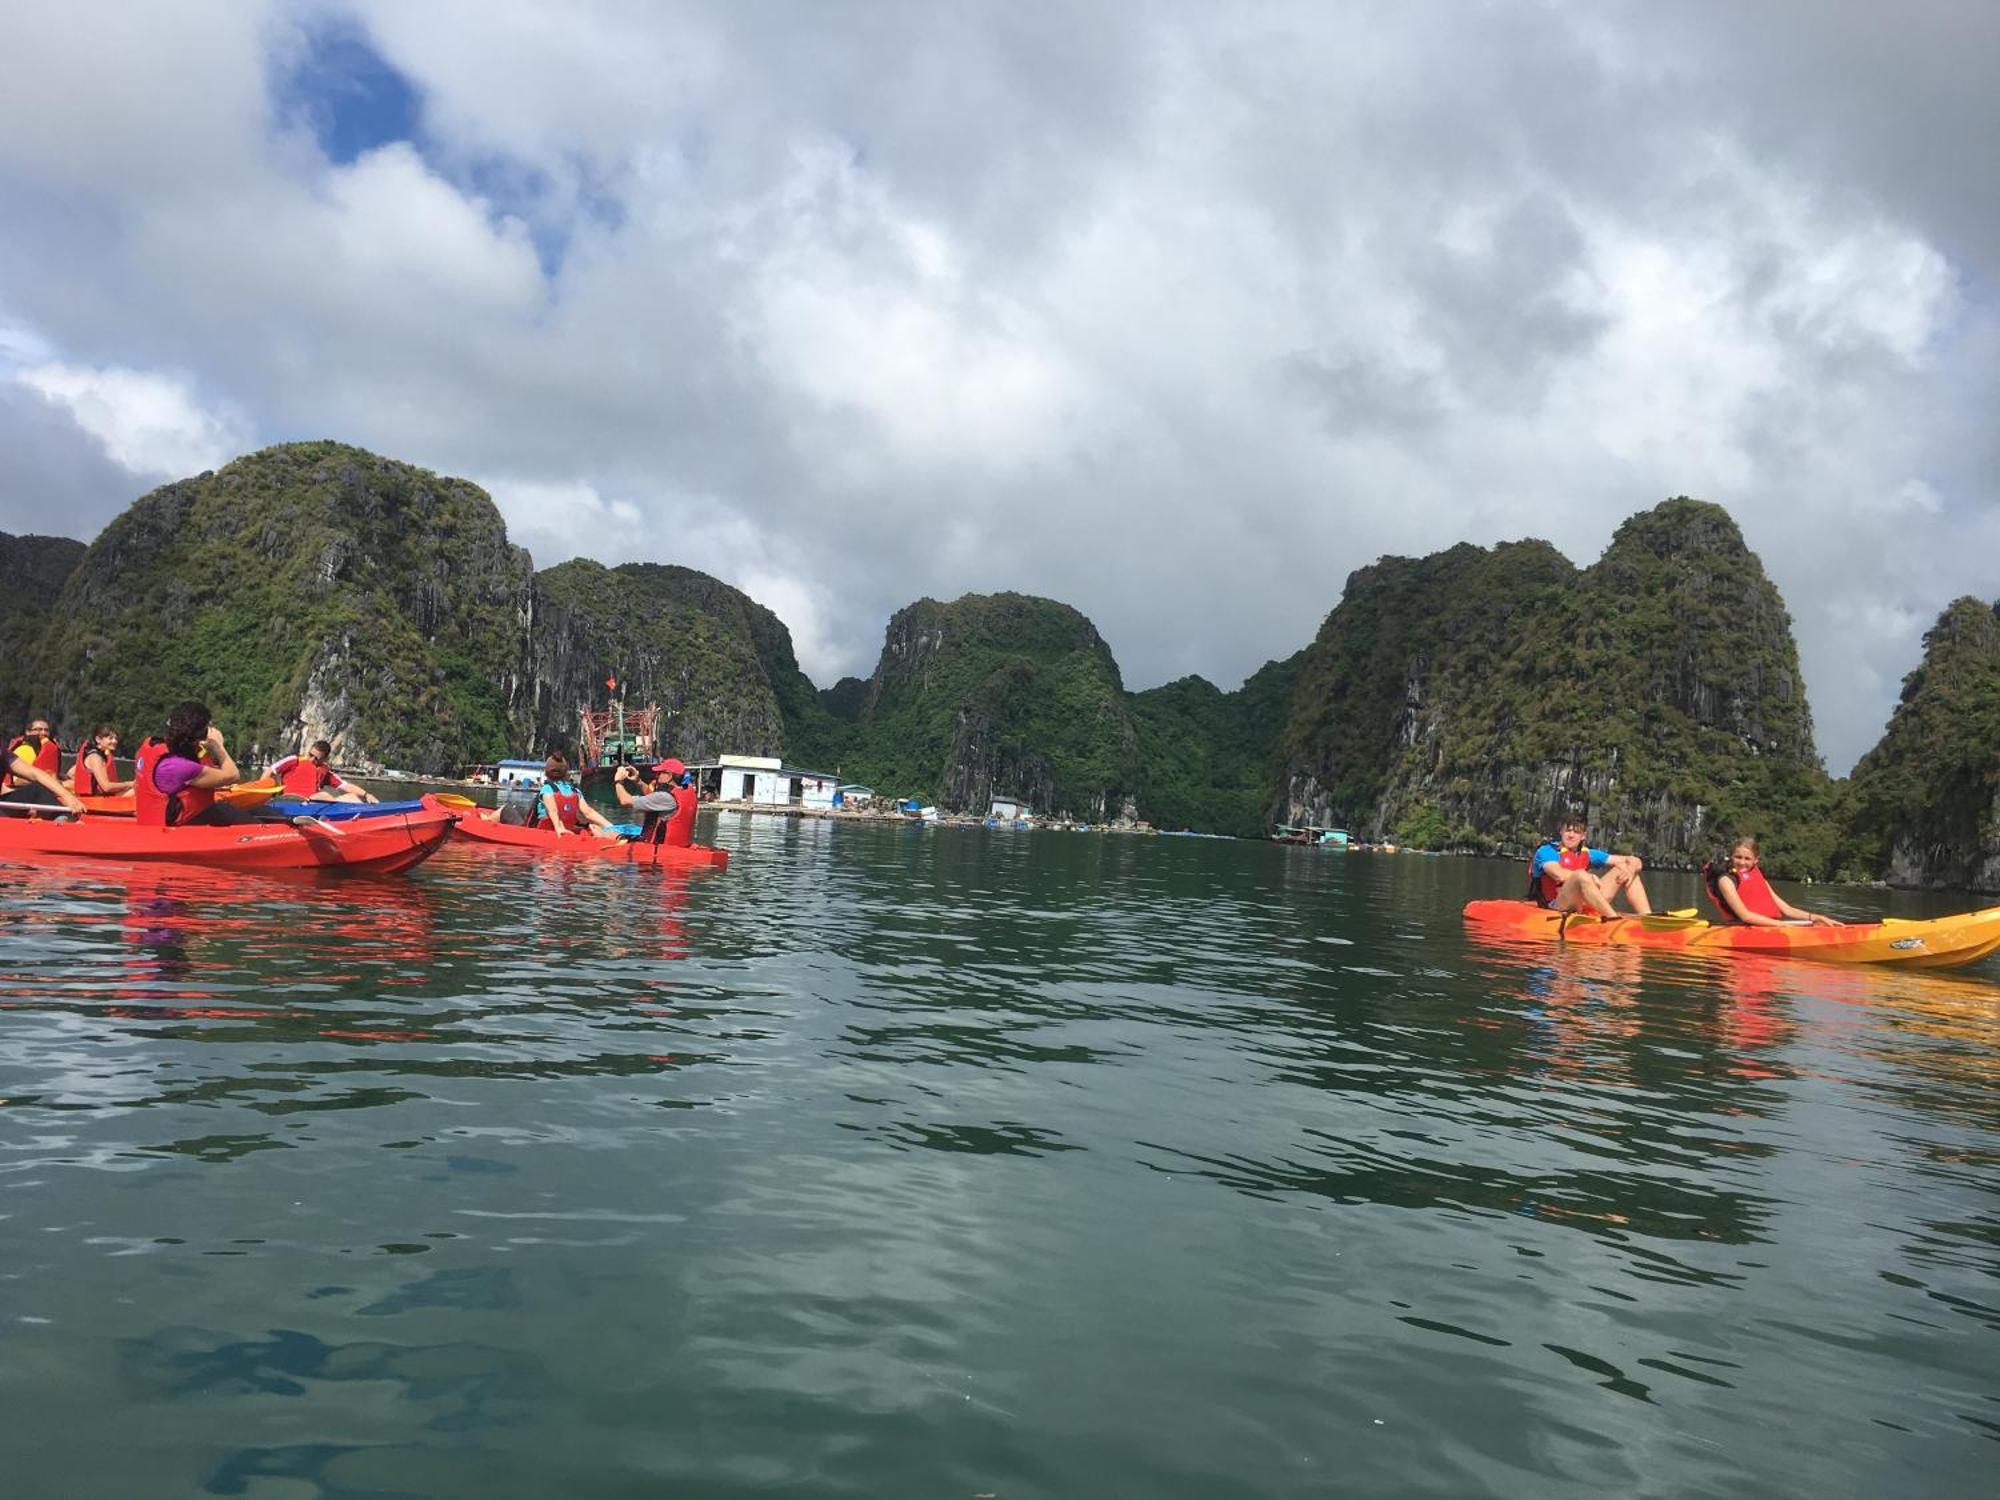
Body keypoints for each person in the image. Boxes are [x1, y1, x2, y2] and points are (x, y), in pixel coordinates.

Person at [133, 700, 244, 827]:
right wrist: (218, 746)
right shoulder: (180, 767)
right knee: (225, 810)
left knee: (257, 811)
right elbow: (233, 775)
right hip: (174, 826)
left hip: (151, 819)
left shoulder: (151, 746)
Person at [1527, 814, 1652, 917]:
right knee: (1581, 875)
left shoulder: (1588, 853)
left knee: (1626, 869)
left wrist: (1630, 869)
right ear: (1561, 831)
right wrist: (1589, 878)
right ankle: (1612, 918)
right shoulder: (1546, 851)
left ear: (1583, 836)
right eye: (1568, 830)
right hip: (1556, 904)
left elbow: (1633, 860)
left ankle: (1647, 917)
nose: (1571, 835)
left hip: (1582, 902)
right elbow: (1559, 875)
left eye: (1576, 832)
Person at [1704, 838, 1837, 927]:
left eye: (1747, 858)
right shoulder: (1726, 881)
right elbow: (1745, 916)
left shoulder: (1759, 879)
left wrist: (1815, 917)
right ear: (1731, 857)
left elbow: (1787, 910)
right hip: (1744, 928)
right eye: (1738, 857)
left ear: (1756, 860)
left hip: (1770, 926)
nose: (1742, 862)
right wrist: (1784, 926)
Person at [524, 751, 618, 839]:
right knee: (591, 826)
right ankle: (611, 835)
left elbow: (553, 810)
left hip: (547, 831)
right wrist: (610, 826)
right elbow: (589, 812)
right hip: (567, 828)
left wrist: (558, 828)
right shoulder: (575, 791)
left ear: (546, 773)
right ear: (565, 773)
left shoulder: (547, 789)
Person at [268, 740, 377, 804]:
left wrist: (367, 794)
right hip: (290, 800)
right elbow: (270, 771)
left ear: (324, 759)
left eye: (316, 758)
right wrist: (263, 797)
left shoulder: (324, 771)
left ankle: (367, 815)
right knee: (324, 795)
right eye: (310, 755)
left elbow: (345, 785)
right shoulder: (293, 760)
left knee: (356, 798)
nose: (311, 760)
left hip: (312, 805)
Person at [623, 757, 697, 847]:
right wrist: (638, 781)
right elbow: (653, 798)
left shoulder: (666, 797)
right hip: (681, 846)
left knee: (605, 833)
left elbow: (625, 801)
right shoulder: (687, 791)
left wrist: (618, 781)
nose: (656, 776)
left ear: (669, 776)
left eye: (659, 773)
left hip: (659, 850)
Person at [0, 741, 85, 816]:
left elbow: (36, 774)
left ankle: (64, 820)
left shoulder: (4, 755)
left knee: (38, 788)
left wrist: (68, 796)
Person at [72, 724, 135, 797]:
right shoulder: (95, 758)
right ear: (98, 739)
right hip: (96, 801)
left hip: (101, 797)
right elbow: (106, 787)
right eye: (110, 738)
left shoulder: (97, 755)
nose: (115, 741)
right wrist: (129, 784)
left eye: (116, 738)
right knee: (135, 791)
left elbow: (71, 773)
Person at [4, 716, 63, 787]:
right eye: (39, 729)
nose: (44, 733)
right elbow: (18, 781)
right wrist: (51, 782)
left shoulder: (42, 750)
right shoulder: (25, 750)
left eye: (46, 730)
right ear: (28, 732)